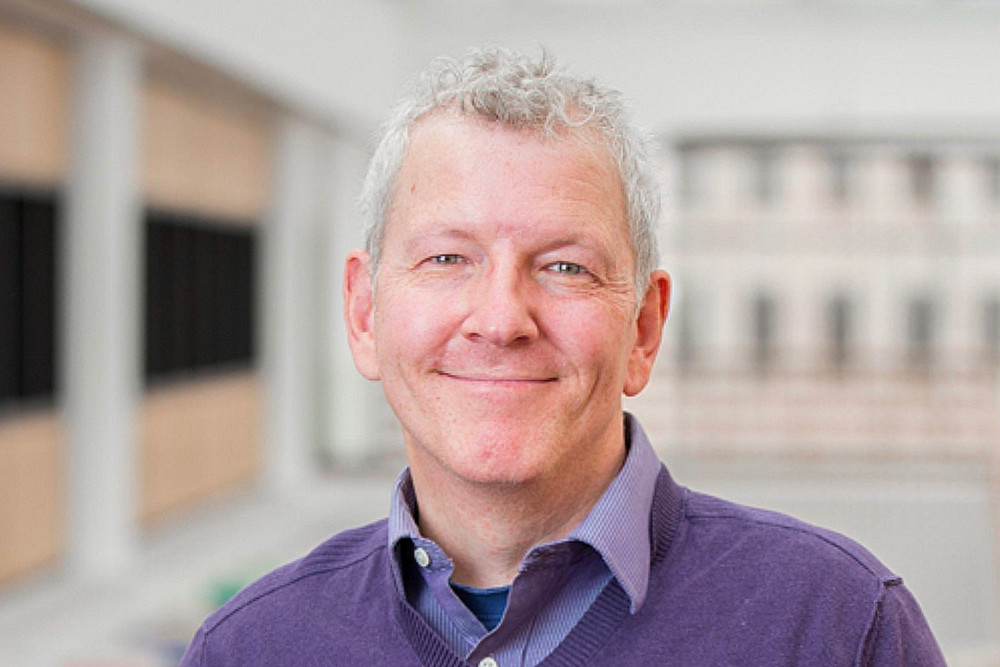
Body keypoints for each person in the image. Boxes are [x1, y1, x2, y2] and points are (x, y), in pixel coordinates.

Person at [180, 47, 945, 666]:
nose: (502, 318)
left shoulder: (837, 627)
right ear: (364, 312)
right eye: (449, 258)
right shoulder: (250, 647)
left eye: (565, 266)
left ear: (643, 328)